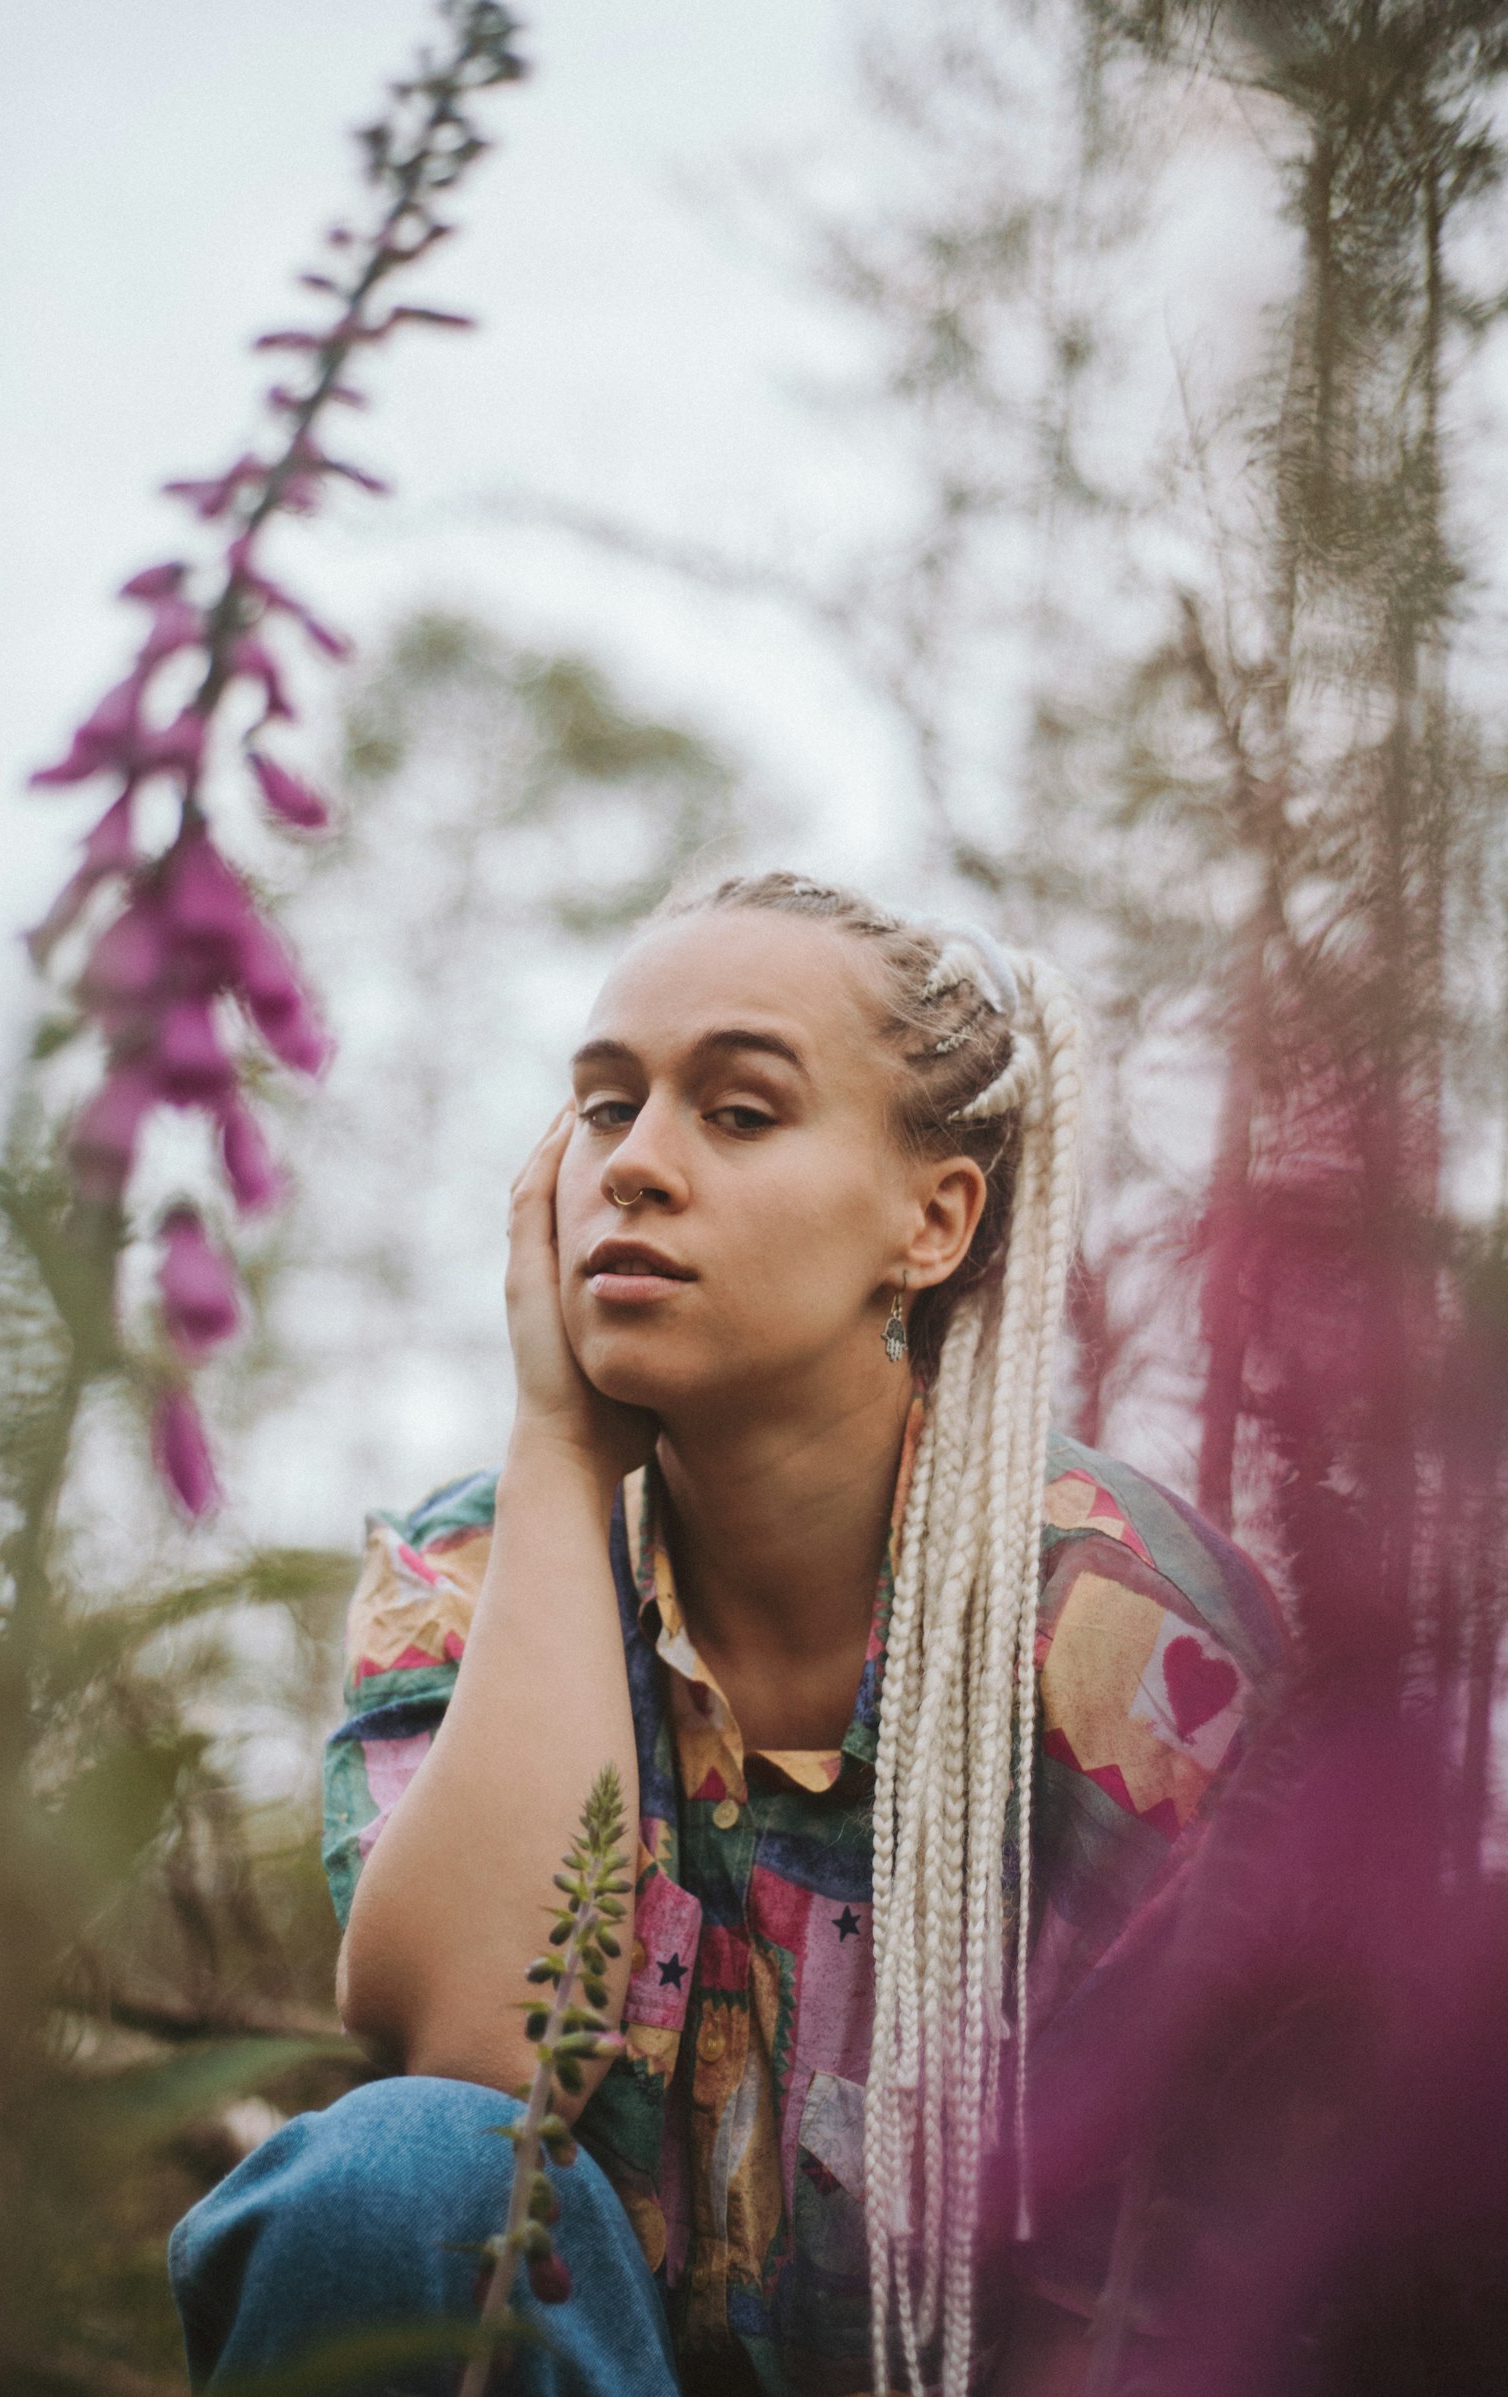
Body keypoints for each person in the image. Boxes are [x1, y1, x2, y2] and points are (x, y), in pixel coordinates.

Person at [169, 873, 1285, 2397]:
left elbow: (1212, 2272)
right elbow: (473, 2058)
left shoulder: (1138, 1646)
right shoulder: (466, 1569)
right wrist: (560, 1457)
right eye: (603, 1108)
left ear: (935, 1217)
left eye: (739, 1111)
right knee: (393, 2182)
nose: (633, 1166)